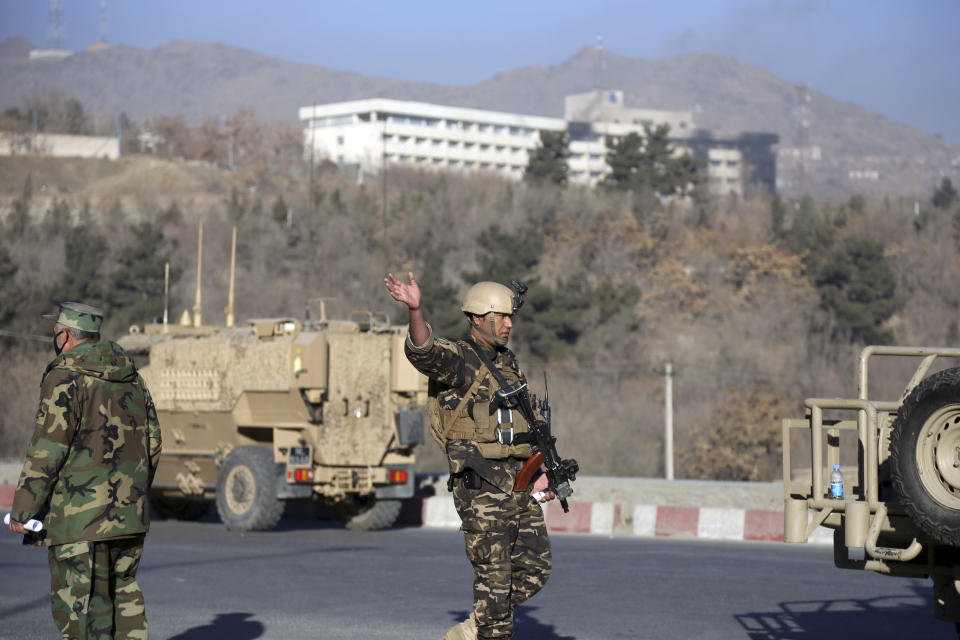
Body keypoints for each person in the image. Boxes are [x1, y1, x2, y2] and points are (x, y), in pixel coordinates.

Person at [385, 272, 554, 640]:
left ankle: (477, 625)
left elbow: (524, 424)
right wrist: (415, 310)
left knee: (535, 568)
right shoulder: (459, 359)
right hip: (481, 490)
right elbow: (424, 350)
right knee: (494, 584)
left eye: (511, 317)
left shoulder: (508, 364)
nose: (509, 324)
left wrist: (541, 468)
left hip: (518, 485)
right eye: (501, 317)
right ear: (478, 318)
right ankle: (487, 626)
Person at [8, 302, 162, 640]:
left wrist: (23, 509)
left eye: (56, 334)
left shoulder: (65, 377)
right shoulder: (133, 377)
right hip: (129, 517)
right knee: (125, 607)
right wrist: (131, 495)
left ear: (65, 335)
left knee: (80, 616)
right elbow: (153, 443)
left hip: (79, 523)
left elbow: (48, 449)